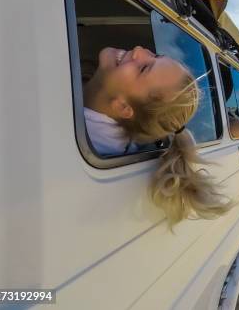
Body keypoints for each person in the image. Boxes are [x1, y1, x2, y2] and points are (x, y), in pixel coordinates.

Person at [83, 46, 231, 225]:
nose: (139, 50)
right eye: (155, 55)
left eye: (143, 68)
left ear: (124, 107)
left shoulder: (81, 139)